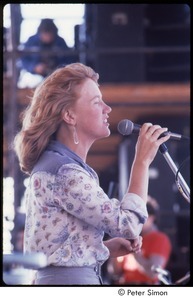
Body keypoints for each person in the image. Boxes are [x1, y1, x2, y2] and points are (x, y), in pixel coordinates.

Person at [13, 62, 170, 285]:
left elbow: (55, 247)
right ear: (69, 115)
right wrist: (142, 162)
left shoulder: (56, 165)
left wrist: (102, 248)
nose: (108, 109)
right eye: (97, 102)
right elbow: (128, 225)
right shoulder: (65, 172)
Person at [107, 195, 172, 285]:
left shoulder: (160, 238)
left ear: (151, 218)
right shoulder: (128, 237)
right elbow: (114, 272)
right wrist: (113, 251)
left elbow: (153, 273)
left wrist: (134, 251)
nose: (134, 222)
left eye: (139, 218)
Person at [18, 18, 76, 87]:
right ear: (40, 33)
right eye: (45, 34)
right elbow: (22, 60)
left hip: (56, 77)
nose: (48, 37)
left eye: (50, 34)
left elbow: (69, 60)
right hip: (34, 76)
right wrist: (34, 67)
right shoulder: (32, 41)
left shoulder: (60, 42)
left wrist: (59, 69)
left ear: (54, 33)